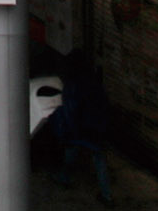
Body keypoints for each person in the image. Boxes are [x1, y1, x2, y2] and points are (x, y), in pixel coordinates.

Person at [52, 53, 115, 205]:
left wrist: (66, 129)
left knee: (71, 150)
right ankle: (107, 197)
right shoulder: (94, 83)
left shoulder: (72, 85)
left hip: (80, 128)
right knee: (99, 159)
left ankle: (64, 178)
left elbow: (71, 111)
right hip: (97, 127)